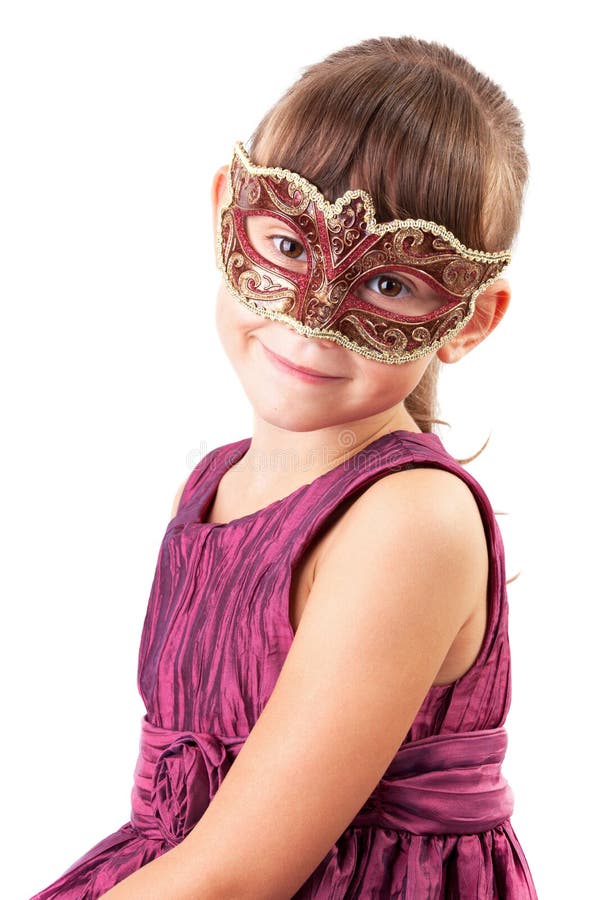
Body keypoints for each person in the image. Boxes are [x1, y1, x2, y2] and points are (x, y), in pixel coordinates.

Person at [31, 34, 539, 900]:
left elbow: (236, 878)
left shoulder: (410, 519)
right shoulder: (214, 483)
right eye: (289, 248)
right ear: (230, 208)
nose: (312, 323)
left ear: (470, 319)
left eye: (390, 285)